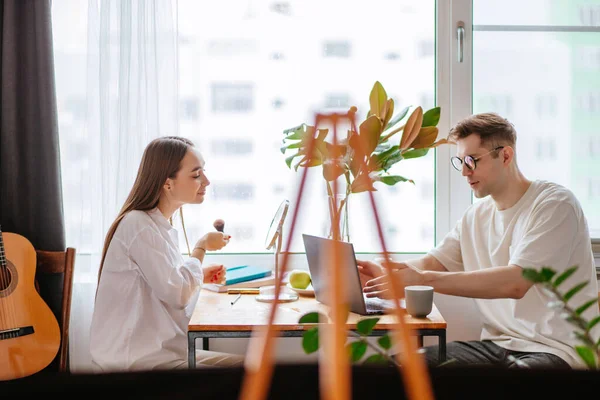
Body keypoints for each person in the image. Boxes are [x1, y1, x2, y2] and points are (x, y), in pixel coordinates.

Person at [358, 113, 599, 369]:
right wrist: (383, 274)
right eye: (460, 161)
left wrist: (422, 279)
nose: (464, 171)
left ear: (505, 156)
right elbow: (433, 262)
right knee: (395, 368)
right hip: (497, 346)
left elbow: (516, 283)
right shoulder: (476, 215)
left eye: (472, 160)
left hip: (558, 351)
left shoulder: (554, 205)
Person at [90, 136, 244, 371]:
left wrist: (199, 273)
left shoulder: (157, 224)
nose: (206, 181)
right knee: (250, 376)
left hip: (162, 352)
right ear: (168, 183)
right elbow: (177, 294)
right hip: (137, 360)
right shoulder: (139, 224)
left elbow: (165, 283)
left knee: (251, 370)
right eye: (196, 175)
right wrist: (200, 248)